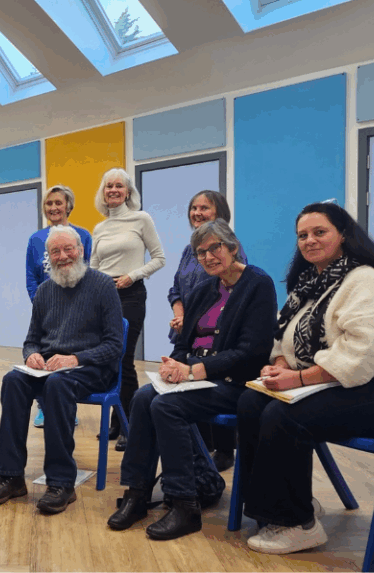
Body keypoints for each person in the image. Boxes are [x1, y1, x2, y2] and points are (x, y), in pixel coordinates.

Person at [107, 219, 277, 539]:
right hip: (196, 378)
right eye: (201, 252)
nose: (208, 257)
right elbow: (184, 345)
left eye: (215, 248)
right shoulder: (203, 290)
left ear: (232, 247)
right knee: (143, 397)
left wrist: (194, 370)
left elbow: (252, 351)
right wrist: (175, 365)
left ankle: (184, 504)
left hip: (235, 383)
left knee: (167, 407)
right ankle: (137, 493)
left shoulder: (258, 284)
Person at [239, 202, 374, 555]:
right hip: (328, 381)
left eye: (319, 232)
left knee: (284, 416)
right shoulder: (309, 283)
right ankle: (280, 505)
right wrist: (279, 364)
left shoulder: (365, 279)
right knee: (250, 403)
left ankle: (298, 525)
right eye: (302, 235)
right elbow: (282, 335)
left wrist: (298, 378)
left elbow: (360, 355)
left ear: (343, 235)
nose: (309, 240)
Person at [0, 226, 123, 515]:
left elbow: (114, 345)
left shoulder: (103, 285)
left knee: (57, 385)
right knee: (13, 381)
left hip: (91, 367)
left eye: (68, 249)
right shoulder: (44, 291)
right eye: (55, 251)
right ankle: (10, 476)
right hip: (50, 368)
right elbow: (31, 340)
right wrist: (32, 354)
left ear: (81, 250)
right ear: (48, 258)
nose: (63, 256)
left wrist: (75, 359)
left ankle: (61, 483)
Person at [168, 190, 247, 472]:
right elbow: (175, 289)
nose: (197, 213)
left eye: (205, 208)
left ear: (220, 213)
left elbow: (232, 297)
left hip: (217, 335)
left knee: (208, 386)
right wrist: (181, 315)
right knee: (179, 389)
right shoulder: (189, 249)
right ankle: (197, 453)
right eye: (194, 208)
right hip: (187, 332)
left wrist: (192, 319)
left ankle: (224, 451)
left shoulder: (232, 249)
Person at [91, 168, 166, 450]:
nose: (113, 190)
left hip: (131, 294)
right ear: (103, 192)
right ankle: (115, 420)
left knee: (123, 358)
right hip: (104, 296)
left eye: (118, 186)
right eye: (108, 186)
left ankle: (130, 425)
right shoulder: (99, 228)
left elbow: (159, 258)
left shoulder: (141, 219)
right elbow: (94, 266)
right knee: (108, 360)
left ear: (128, 192)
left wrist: (132, 276)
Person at [25, 184, 92, 428]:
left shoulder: (83, 235)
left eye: (58, 203)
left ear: (68, 206)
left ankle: (67, 406)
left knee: (68, 357)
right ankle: (43, 407)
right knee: (43, 355)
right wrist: (40, 305)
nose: (53, 207)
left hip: (76, 308)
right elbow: (31, 277)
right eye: (49, 203)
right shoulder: (35, 239)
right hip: (46, 309)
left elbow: (87, 270)